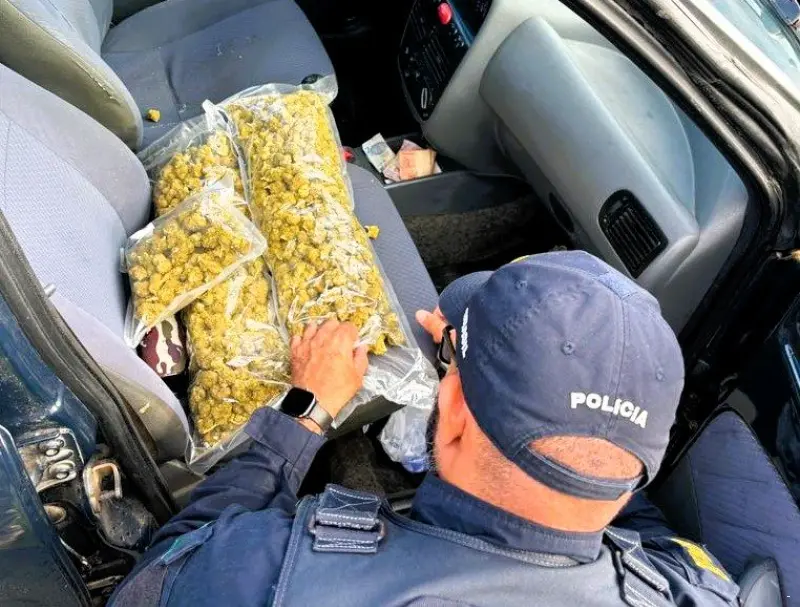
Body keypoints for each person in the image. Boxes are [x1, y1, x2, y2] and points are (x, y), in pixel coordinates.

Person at [110, 251, 739, 606]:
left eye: (450, 371)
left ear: (453, 405)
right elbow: (606, 482)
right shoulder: (696, 589)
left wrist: (308, 409)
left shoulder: (266, 573)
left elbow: (156, 573)